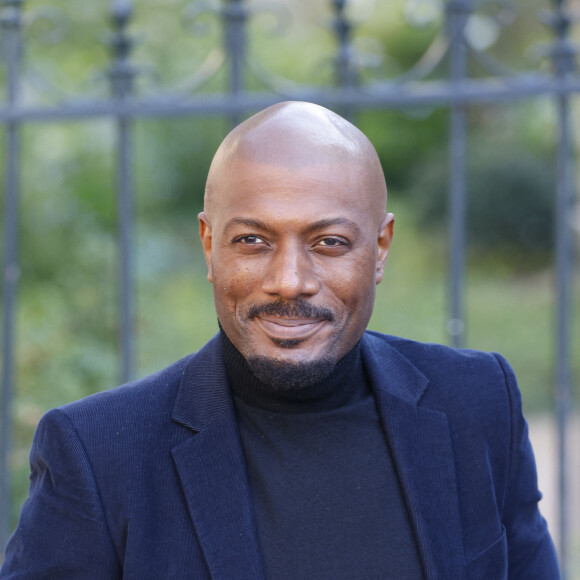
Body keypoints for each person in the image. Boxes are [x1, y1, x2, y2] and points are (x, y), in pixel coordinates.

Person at [1, 101, 559, 579]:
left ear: (381, 248)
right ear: (208, 244)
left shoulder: (480, 404)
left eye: (330, 242)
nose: (289, 280)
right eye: (252, 240)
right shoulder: (99, 456)